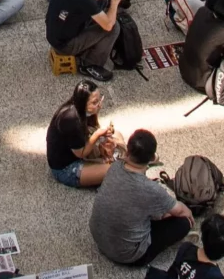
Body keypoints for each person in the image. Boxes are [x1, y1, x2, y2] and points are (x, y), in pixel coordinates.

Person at [91, 129, 194, 266]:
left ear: (128, 151)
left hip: (99, 240)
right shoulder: (151, 190)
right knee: (183, 223)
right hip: (129, 255)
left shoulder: (114, 167)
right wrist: (190, 216)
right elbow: (180, 211)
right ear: (152, 158)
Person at [47, 0, 132, 82]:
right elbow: (108, 25)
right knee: (114, 28)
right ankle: (89, 64)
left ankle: (88, 49)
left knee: (102, 0)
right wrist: (115, 1)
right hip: (65, 45)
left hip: (55, 31)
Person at [45, 79, 119, 187]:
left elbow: (92, 126)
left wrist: (101, 137)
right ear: (83, 103)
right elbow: (81, 153)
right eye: (94, 102)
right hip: (66, 168)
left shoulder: (80, 110)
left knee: (117, 136)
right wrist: (98, 134)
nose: (99, 106)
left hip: (79, 147)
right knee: (114, 170)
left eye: (100, 100)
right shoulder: (71, 120)